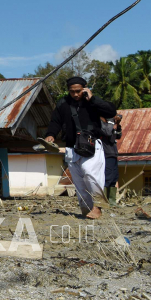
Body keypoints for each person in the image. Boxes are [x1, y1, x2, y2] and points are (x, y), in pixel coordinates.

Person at [45, 77, 117, 219]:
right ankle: (86, 209)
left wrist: (93, 99)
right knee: (78, 181)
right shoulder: (63, 103)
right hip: (72, 148)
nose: (76, 94)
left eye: (78, 91)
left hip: (91, 145)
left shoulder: (93, 102)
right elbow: (55, 121)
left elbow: (111, 111)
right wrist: (50, 135)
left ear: (85, 88)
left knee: (90, 174)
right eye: (72, 92)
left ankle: (98, 206)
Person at [100, 114, 123, 207]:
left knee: (114, 177)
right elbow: (108, 133)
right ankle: (104, 201)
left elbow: (118, 135)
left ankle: (112, 201)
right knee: (108, 177)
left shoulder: (110, 124)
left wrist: (117, 124)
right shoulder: (101, 124)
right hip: (106, 154)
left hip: (113, 154)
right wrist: (111, 122)